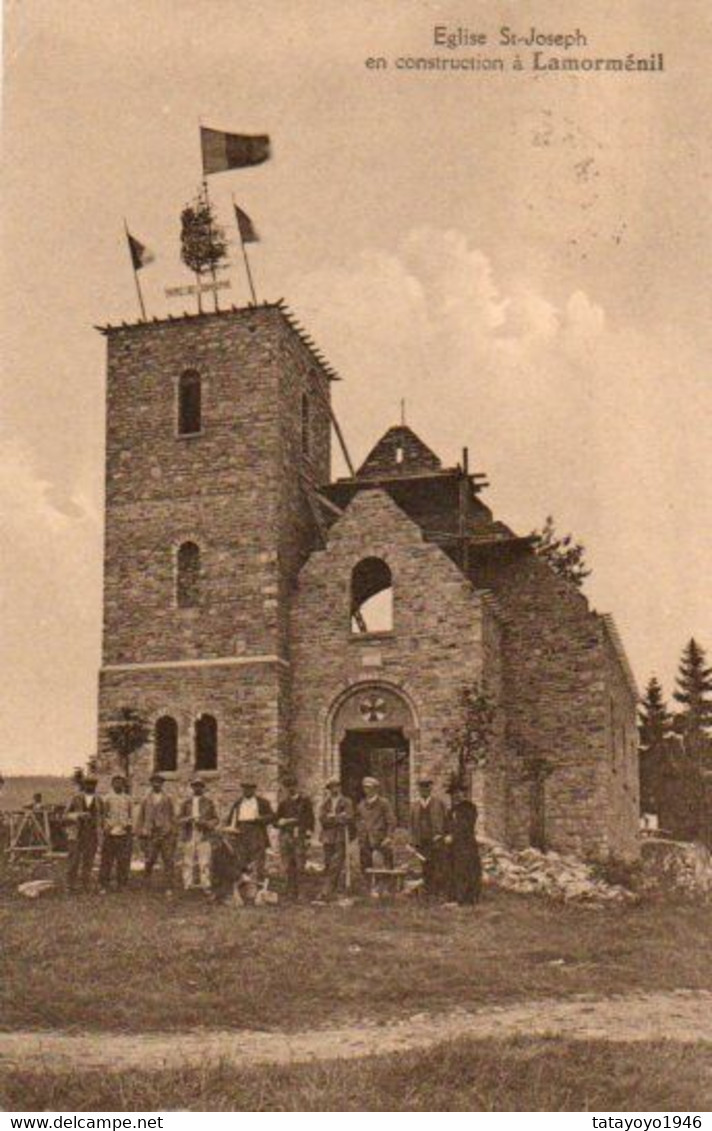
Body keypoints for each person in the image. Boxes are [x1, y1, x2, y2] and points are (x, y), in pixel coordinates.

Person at [224, 780, 274, 883]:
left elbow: (272, 816)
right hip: (241, 832)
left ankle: (258, 883)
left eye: (250, 789)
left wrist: (260, 819)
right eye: (245, 789)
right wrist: (231, 830)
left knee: (258, 858)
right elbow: (230, 820)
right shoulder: (238, 803)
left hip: (257, 830)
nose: (247, 791)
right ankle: (244, 884)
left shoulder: (262, 802)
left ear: (254, 790)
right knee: (241, 858)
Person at [135, 773, 176, 893]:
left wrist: (172, 831)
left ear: (162, 784)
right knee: (149, 859)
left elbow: (173, 816)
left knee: (168, 860)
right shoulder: (146, 799)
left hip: (165, 833)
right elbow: (140, 816)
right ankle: (146, 883)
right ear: (151, 783)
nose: (156, 784)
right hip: (151, 833)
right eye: (154, 782)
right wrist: (140, 832)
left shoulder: (168, 798)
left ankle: (168, 886)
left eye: (159, 782)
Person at [275, 774, 314, 900]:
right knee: (287, 865)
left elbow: (310, 819)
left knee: (300, 864)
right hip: (285, 836)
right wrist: (280, 822)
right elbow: (276, 820)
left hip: (299, 835)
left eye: (292, 786)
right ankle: (290, 892)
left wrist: (308, 835)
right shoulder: (283, 803)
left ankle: (302, 893)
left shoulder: (305, 802)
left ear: (297, 787)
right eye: (287, 787)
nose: (290, 789)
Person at [178, 777, 219, 894]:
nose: (197, 788)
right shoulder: (186, 803)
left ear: (203, 788)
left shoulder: (208, 803)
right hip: (189, 833)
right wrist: (188, 819)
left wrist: (206, 823)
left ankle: (206, 884)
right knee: (187, 861)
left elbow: (216, 819)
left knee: (204, 861)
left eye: (200, 786)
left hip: (204, 834)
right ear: (192, 787)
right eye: (195, 786)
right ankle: (187, 884)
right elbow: (178, 819)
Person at [410, 777, 449, 898]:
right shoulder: (415, 806)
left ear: (430, 788)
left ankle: (439, 892)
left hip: (436, 840)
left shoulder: (439, 803)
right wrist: (413, 841)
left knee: (438, 866)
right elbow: (411, 824)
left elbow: (446, 822)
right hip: (422, 841)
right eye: (422, 787)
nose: (424, 790)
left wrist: (442, 835)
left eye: (427, 787)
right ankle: (428, 891)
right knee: (425, 866)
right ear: (419, 789)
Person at [318, 776, 354, 901]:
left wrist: (333, 817)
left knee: (336, 863)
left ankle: (326, 891)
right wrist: (337, 817)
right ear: (329, 789)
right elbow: (322, 819)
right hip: (327, 837)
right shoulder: (325, 803)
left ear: (340, 787)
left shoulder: (346, 802)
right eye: (332, 787)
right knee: (328, 863)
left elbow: (348, 817)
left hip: (340, 836)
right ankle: (333, 890)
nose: (334, 789)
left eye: (337, 786)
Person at [445, 783, 483, 906]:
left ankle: (468, 899)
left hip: (467, 845)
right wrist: (445, 835)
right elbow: (447, 826)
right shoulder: (452, 810)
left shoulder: (470, 808)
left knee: (468, 870)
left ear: (464, 794)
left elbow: (466, 825)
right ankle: (456, 897)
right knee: (455, 870)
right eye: (454, 794)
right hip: (454, 847)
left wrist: (453, 836)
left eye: (459, 793)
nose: (457, 796)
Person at [65, 775, 103, 892]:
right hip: (77, 833)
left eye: (93, 784)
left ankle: (86, 884)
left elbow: (102, 816)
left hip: (92, 834)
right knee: (74, 860)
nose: (90, 786)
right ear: (84, 785)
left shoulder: (98, 800)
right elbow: (65, 815)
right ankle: (70, 885)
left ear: (95, 786)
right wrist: (78, 815)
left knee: (89, 859)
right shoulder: (75, 798)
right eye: (88, 784)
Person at [98, 774, 133, 892]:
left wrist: (129, 825)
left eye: (121, 783)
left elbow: (131, 814)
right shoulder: (106, 798)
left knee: (123, 860)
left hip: (123, 832)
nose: (119, 785)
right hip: (110, 833)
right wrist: (105, 827)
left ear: (124, 785)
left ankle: (122, 884)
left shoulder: (128, 799)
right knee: (107, 860)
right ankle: (104, 885)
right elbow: (102, 815)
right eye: (116, 783)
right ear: (112, 784)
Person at [357, 776, 396, 875]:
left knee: (385, 866)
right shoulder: (361, 805)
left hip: (381, 839)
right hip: (365, 840)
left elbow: (391, 821)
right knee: (365, 866)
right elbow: (358, 820)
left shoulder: (384, 803)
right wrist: (360, 833)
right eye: (365, 788)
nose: (367, 790)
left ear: (376, 789)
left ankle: (386, 887)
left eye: (370, 788)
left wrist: (389, 836)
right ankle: (369, 887)